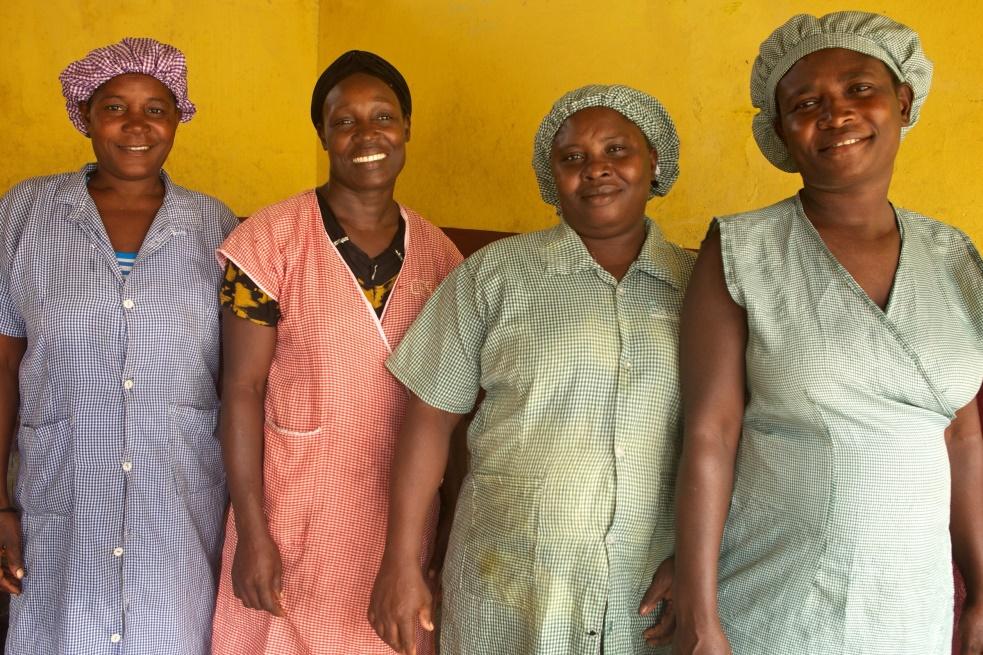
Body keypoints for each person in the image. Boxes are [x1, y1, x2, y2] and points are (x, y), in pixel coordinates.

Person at [672, 11, 983, 655]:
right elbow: (710, 432)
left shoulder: (955, 256)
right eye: (805, 103)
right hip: (781, 593)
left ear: (902, 100)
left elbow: (961, 433)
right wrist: (700, 620)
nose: (835, 113)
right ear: (784, 134)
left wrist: (980, 590)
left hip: (910, 603)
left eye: (858, 88)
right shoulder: (741, 248)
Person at [368, 84, 693, 655]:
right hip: (508, 582)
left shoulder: (699, 288)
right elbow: (428, 420)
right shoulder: (493, 277)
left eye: (618, 150)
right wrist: (400, 563)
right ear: (552, 178)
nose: (596, 170)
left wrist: (694, 558)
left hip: (644, 594)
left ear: (655, 162)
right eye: (573, 158)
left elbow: (730, 435)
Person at [209, 50, 462, 655]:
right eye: (345, 121)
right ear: (322, 133)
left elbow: (456, 415)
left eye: (383, 117)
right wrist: (251, 531)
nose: (366, 135)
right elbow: (240, 389)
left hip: (398, 526)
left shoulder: (443, 258)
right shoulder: (269, 243)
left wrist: (445, 545)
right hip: (290, 513)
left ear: (406, 127)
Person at [0, 38, 237, 653]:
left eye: (155, 108)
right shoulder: (26, 212)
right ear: (86, 116)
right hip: (63, 489)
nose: (137, 125)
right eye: (115, 107)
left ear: (177, 118)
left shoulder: (218, 227)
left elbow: (240, 382)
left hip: (178, 497)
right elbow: (2, 364)